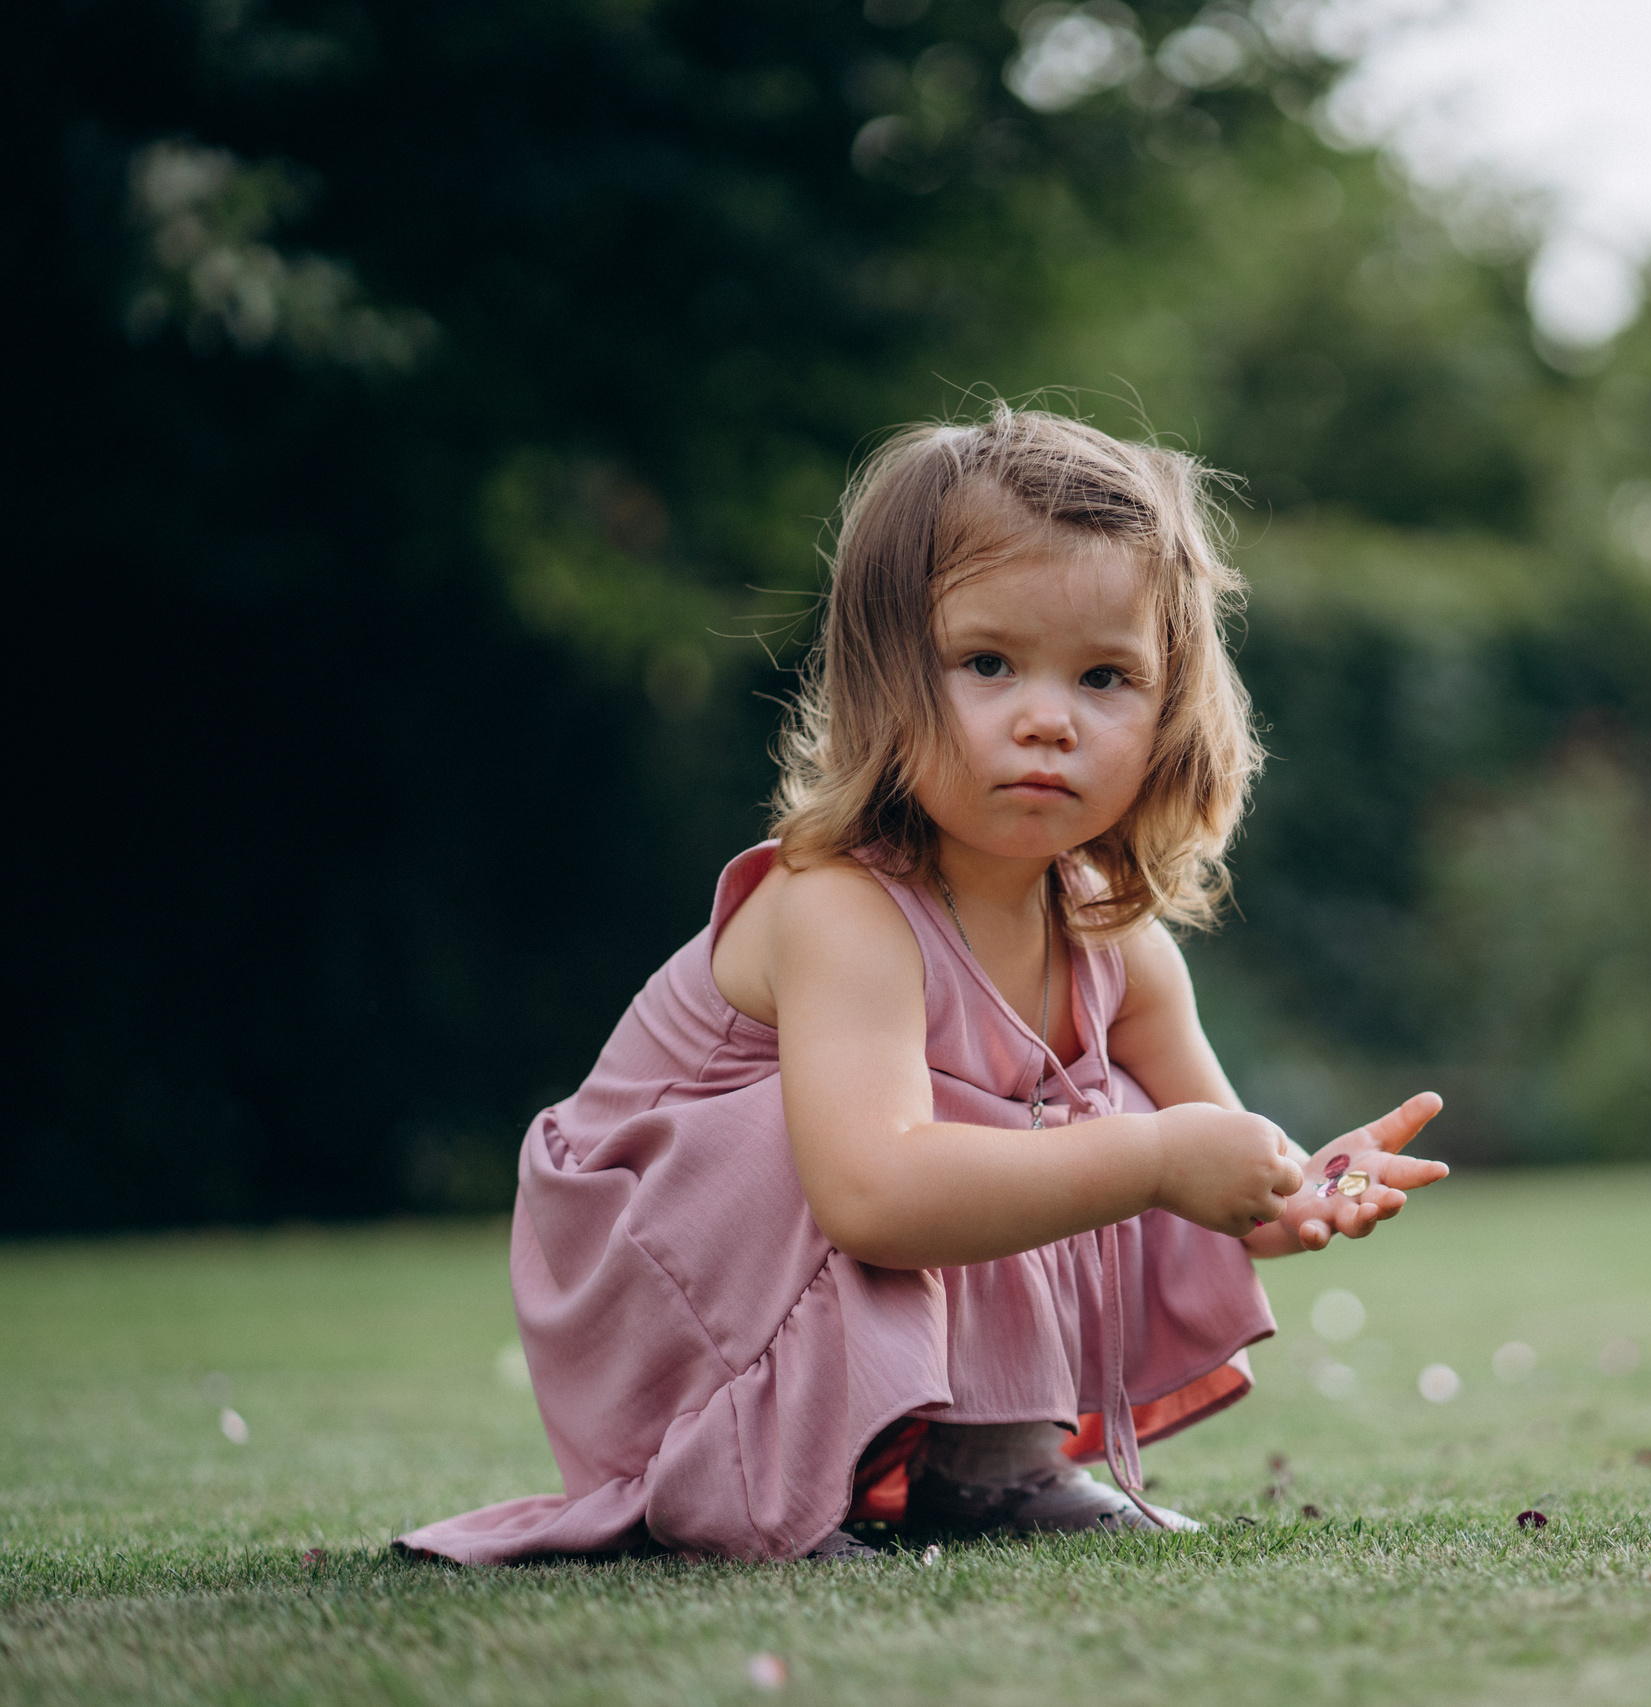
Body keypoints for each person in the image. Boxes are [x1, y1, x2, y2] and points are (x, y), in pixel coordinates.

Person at [399, 408, 1447, 1564]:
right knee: (989, 1137)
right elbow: (874, 1195)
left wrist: (1296, 1186)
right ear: (889, 676)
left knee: (1108, 1123)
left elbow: (1212, 1163)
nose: (1047, 718)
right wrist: (1159, 1159)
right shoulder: (842, 906)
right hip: (661, 1283)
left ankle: (989, 1472)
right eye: (987, 663)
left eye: (1106, 677)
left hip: (808, 1238)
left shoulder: (1113, 941)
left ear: (1169, 712)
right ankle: (741, 1480)